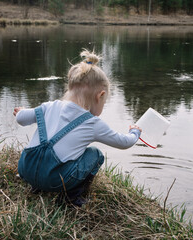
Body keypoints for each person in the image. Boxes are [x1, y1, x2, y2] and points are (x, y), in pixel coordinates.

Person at [13, 49, 141, 207]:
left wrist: (22, 111)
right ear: (99, 96)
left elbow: (21, 118)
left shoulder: (48, 106)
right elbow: (124, 143)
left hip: (26, 171)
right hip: (55, 181)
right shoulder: (93, 123)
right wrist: (135, 132)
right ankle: (71, 198)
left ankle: (37, 186)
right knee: (95, 154)